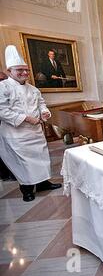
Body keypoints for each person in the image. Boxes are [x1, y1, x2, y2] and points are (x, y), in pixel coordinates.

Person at [0, 45, 62, 202]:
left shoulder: (33, 89)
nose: (24, 73)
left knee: (41, 159)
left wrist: (44, 112)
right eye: (19, 70)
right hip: (16, 134)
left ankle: (43, 184)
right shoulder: (3, 87)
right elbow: (3, 111)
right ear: (9, 71)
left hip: (35, 132)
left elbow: (41, 103)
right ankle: (26, 189)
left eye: (26, 70)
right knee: (23, 163)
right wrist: (27, 118)